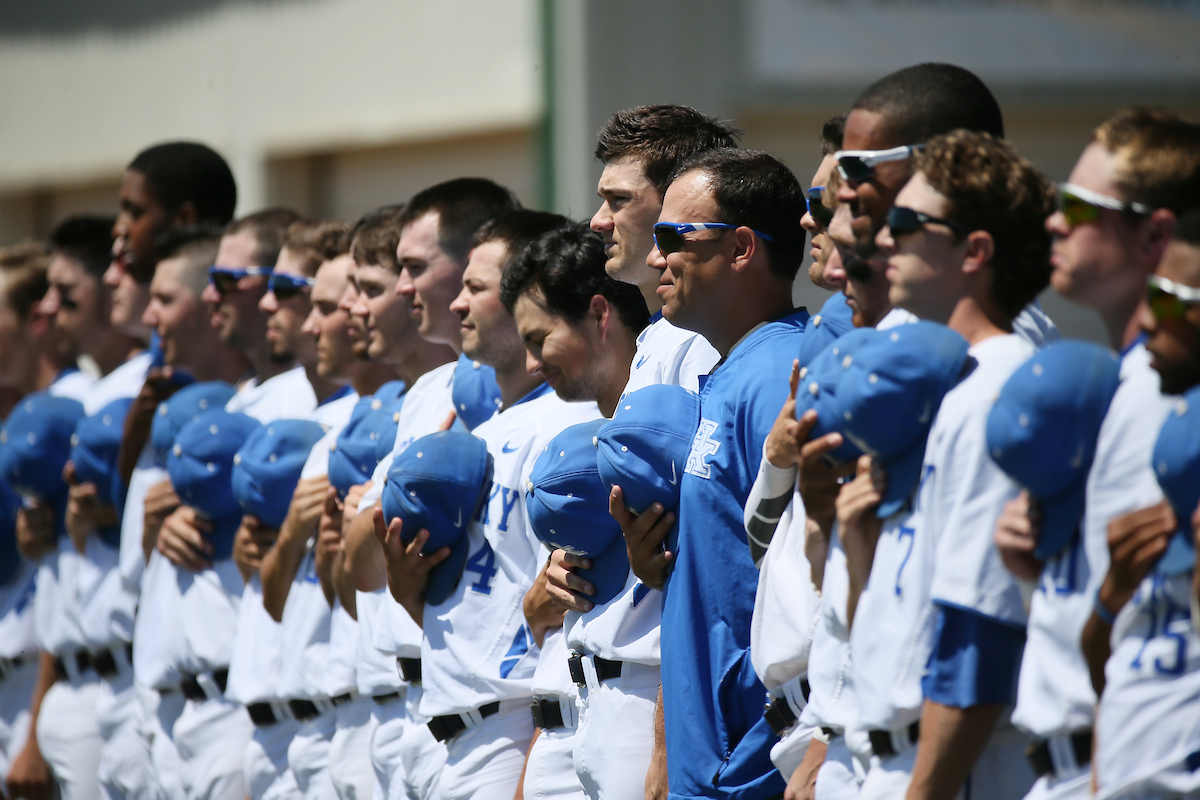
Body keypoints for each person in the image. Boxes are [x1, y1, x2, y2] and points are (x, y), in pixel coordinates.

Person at [835, 130, 1055, 800]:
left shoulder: (996, 390)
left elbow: (980, 633)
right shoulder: (945, 385)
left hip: (953, 769)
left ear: (975, 250)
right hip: (891, 755)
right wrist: (857, 541)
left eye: (907, 222)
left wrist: (922, 791)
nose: (882, 239)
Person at [991, 107, 1200, 800]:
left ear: (1155, 233)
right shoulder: (1123, 382)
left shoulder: (1169, 391)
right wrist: (1035, 566)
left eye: (1079, 206)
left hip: (1135, 762)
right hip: (1081, 764)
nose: (1055, 220)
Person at [374, 211, 602, 800]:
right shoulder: (495, 425)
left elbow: (564, 592)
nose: (457, 304)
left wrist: (536, 735)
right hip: (445, 720)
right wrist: (409, 589)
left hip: (512, 721)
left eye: (476, 288)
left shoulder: (571, 419)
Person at [611, 146, 808, 800]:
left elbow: (802, 595)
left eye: (673, 237)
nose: (656, 256)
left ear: (742, 248)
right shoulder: (731, 371)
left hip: (747, 769)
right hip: (712, 767)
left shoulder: (780, 375)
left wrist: (747, 768)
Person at [342, 180, 519, 800]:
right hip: (415, 704)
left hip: (499, 712)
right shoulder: (428, 393)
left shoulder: (546, 398)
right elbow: (358, 564)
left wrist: (379, 510)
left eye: (415, 268)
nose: (402, 288)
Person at [498, 222, 648, 800]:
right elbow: (555, 618)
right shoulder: (573, 435)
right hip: (571, 721)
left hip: (637, 716)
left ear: (598, 313)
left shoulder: (665, 417)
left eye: (541, 338)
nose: (533, 364)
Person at [1084, 207, 1200, 800]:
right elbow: (1109, 662)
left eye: (1178, 302)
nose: (1151, 319)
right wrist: (1109, 600)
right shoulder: (1175, 422)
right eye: (1153, 293)